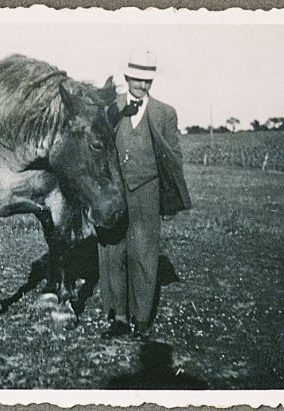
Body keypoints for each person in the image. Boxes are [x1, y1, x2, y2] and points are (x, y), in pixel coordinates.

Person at [99, 49, 191, 339]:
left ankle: (142, 320)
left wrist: (170, 198)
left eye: (147, 80)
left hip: (147, 191)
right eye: (137, 79)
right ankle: (119, 318)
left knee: (144, 253)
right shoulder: (110, 107)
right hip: (115, 190)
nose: (142, 85)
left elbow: (172, 156)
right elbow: (97, 144)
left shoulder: (165, 113)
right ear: (127, 78)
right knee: (113, 252)